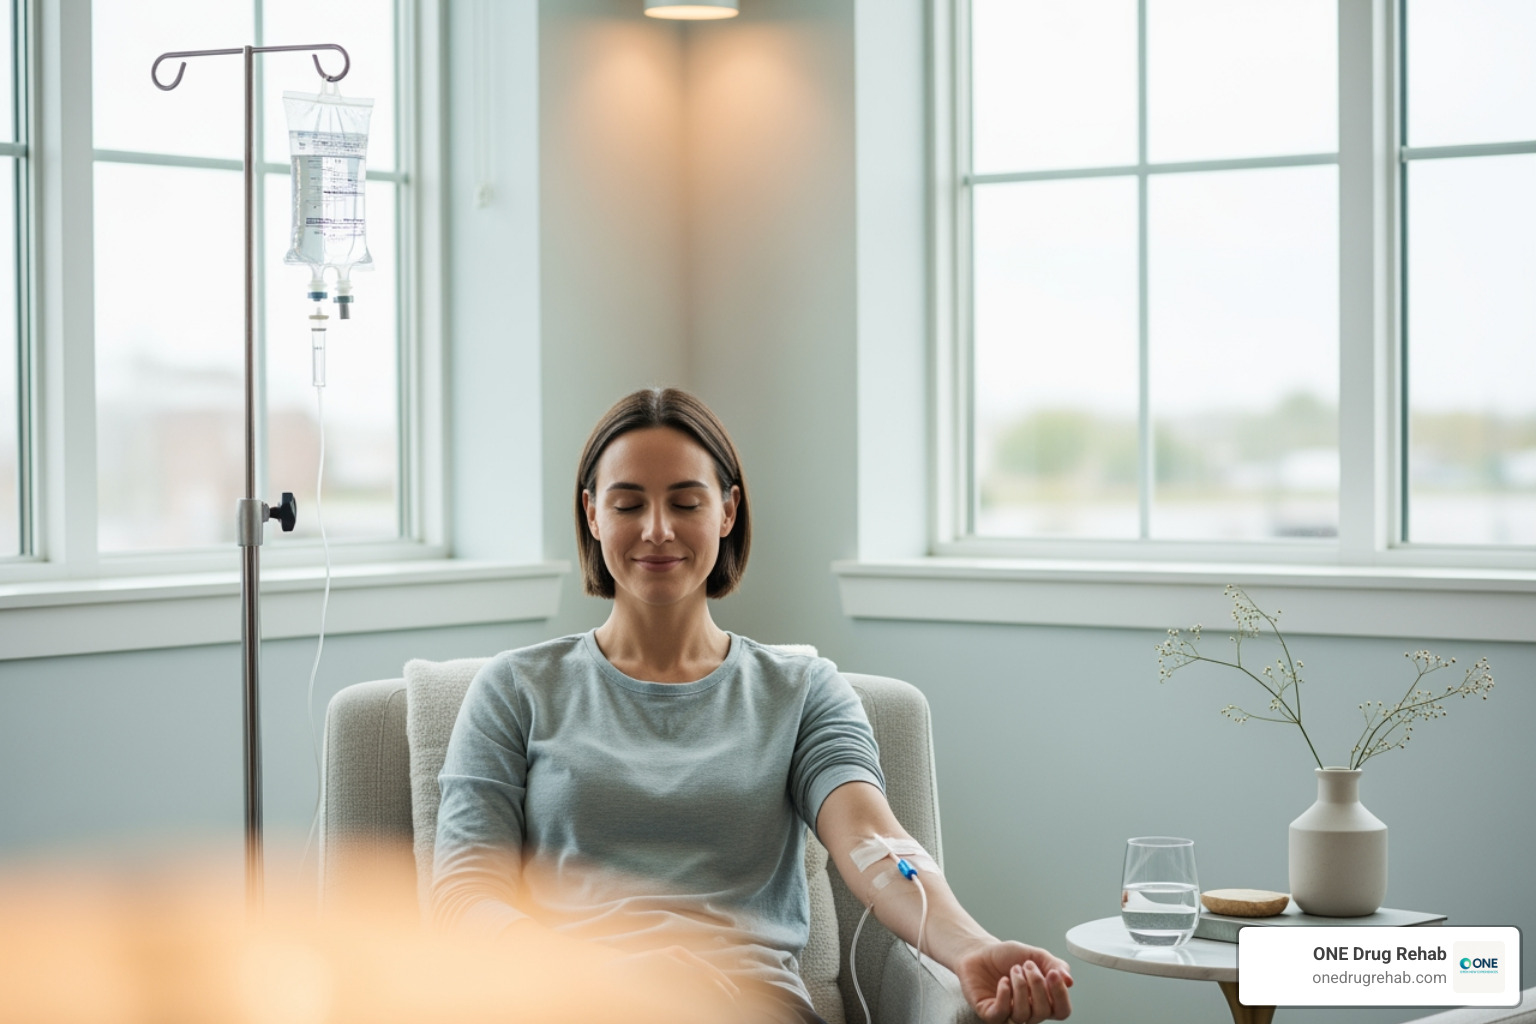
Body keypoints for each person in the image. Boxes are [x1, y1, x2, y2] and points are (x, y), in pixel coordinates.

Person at [432, 387, 1073, 1024]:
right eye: (628, 504)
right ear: (593, 515)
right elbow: (463, 898)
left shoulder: (803, 691)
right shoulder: (514, 688)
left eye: (686, 502)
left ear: (728, 511)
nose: (657, 530)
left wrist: (973, 948)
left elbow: (874, 840)